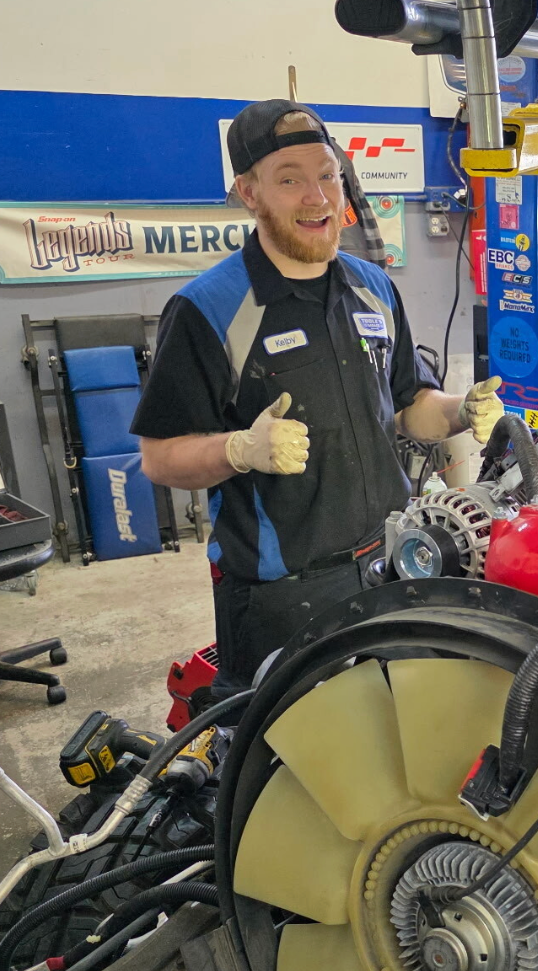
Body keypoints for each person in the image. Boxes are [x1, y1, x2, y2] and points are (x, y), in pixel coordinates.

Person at [133, 98, 503, 694]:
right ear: (249, 193)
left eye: (328, 175)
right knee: (286, 750)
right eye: (290, 180)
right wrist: (239, 450)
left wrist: (458, 410)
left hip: (393, 561)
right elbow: (159, 457)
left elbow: (408, 406)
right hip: (281, 597)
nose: (318, 197)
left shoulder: (374, 288)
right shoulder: (207, 309)